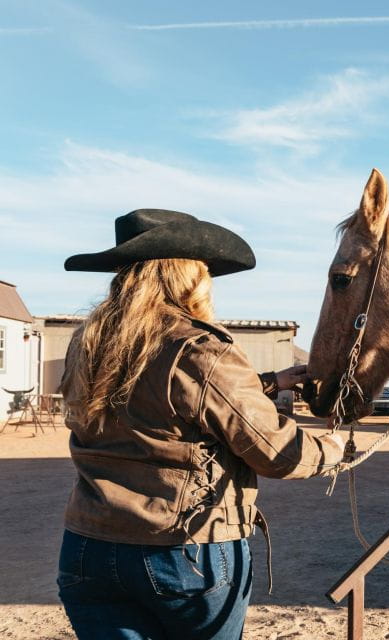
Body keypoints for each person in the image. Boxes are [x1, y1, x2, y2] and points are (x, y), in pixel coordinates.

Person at [57, 209, 345, 639]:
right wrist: (334, 451)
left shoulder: (91, 342)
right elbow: (276, 452)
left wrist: (268, 383)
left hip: (89, 545)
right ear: (188, 275)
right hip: (181, 549)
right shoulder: (201, 349)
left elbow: (153, 400)